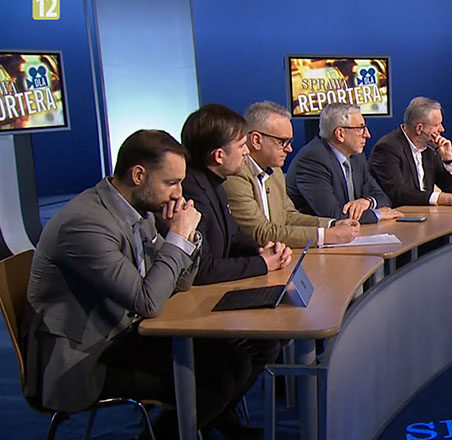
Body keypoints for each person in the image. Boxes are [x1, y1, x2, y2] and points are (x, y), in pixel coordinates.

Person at [23, 130, 260, 438]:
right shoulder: (85, 224)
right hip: (86, 360)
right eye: (171, 183)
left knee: (236, 360)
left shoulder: (137, 209)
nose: (178, 194)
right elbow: (148, 302)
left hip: (124, 331)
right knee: (215, 379)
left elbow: (181, 282)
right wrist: (177, 237)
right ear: (138, 175)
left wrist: (186, 237)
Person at [223, 101, 362, 248]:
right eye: (283, 142)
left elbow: (288, 216)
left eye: (290, 142)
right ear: (257, 140)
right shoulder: (235, 175)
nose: (289, 149)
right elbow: (261, 233)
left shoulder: (274, 170)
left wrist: (332, 224)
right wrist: (327, 235)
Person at [181, 103, 293, 284]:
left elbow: (234, 237)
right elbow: (202, 268)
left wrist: (264, 250)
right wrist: (262, 263)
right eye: (241, 146)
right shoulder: (191, 193)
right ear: (219, 156)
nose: (246, 151)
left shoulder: (216, 182)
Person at [286, 103, 403, 221]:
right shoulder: (313, 160)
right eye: (360, 128)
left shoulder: (357, 156)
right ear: (340, 134)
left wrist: (368, 202)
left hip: (352, 230)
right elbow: (333, 215)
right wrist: (377, 214)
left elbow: (383, 197)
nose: (367, 135)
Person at [369, 96, 452, 208]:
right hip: (400, 214)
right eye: (436, 125)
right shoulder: (387, 148)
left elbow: (451, 190)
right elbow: (398, 193)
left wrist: (448, 160)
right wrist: (442, 198)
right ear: (419, 128)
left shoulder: (429, 148)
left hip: (426, 213)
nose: (442, 129)